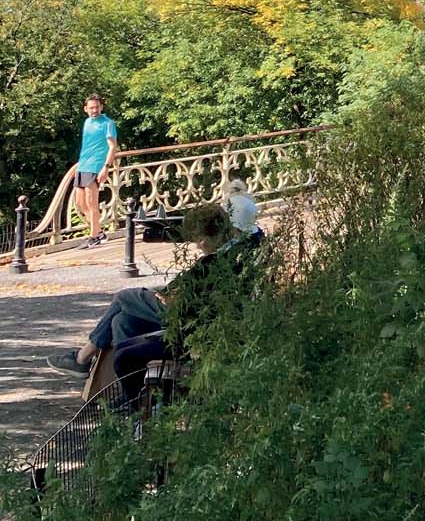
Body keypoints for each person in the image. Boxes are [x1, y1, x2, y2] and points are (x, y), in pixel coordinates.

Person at [49, 202, 265, 396]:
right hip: (182, 308)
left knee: (124, 297)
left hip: (185, 319)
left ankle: (82, 358)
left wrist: (169, 296)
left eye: (199, 241)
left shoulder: (224, 259)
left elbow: (197, 297)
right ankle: (132, 394)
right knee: (122, 321)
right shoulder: (238, 248)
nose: (197, 246)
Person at [71, 93, 118, 245]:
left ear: (101, 107)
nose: (94, 110)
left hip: (96, 166)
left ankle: (93, 236)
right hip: (83, 165)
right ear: (86, 109)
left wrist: (106, 167)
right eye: (91, 108)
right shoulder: (87, 122)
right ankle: (99, 232)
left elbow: (112, 147)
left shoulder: (107, 123)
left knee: (92, 203)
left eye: (97, 107)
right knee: (80, 203)